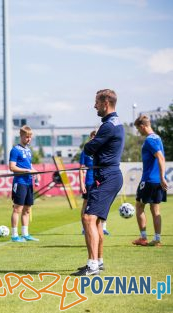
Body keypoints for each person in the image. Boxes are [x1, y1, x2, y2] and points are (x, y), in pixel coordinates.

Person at [72, 89, 124, 276]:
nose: (94, 106)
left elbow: (89, 148)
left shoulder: (108, 126)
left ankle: (92, 265)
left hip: (107, 177)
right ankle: (98, 262)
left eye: (96, 102)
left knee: (88, 218)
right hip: (109, 176)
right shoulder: (115, 123)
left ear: (105, 103)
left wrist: (90, 145)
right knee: (97, 222)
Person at [132, 115, 168, 247]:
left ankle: (143, 237)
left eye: (138, 128)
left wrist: (162, 176)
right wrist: (162, 177)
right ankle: (157, 239)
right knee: (155, 210)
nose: (139, 132)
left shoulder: (149, 141)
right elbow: (162, 157)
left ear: (142, 126)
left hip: (148, 180)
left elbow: (160, 157)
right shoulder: (157, 137)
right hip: (157, 181)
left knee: (139, 206)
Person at [9, 125, 41, 243]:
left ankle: (25, 234)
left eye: (30, 137)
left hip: (29, 183)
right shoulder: (15, 150)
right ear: (21, 136)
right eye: (26, 137)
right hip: (20, 182)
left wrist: (35, 171)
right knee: (17, 209)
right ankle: (14, 235)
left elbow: (29, 166)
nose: (28, 139)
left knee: (27, 209)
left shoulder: (28, 150)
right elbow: (12, 167)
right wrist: (27, 171)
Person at [79, 131, 109, 235]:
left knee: (102, 204)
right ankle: (84, 227)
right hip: (89, 181)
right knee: (86, 203)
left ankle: (103, 227)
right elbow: (81, 168)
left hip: (101, 181)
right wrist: (82, 184)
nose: (94, 139)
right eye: (92, 137)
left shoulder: (102, 150)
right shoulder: (85, 151)